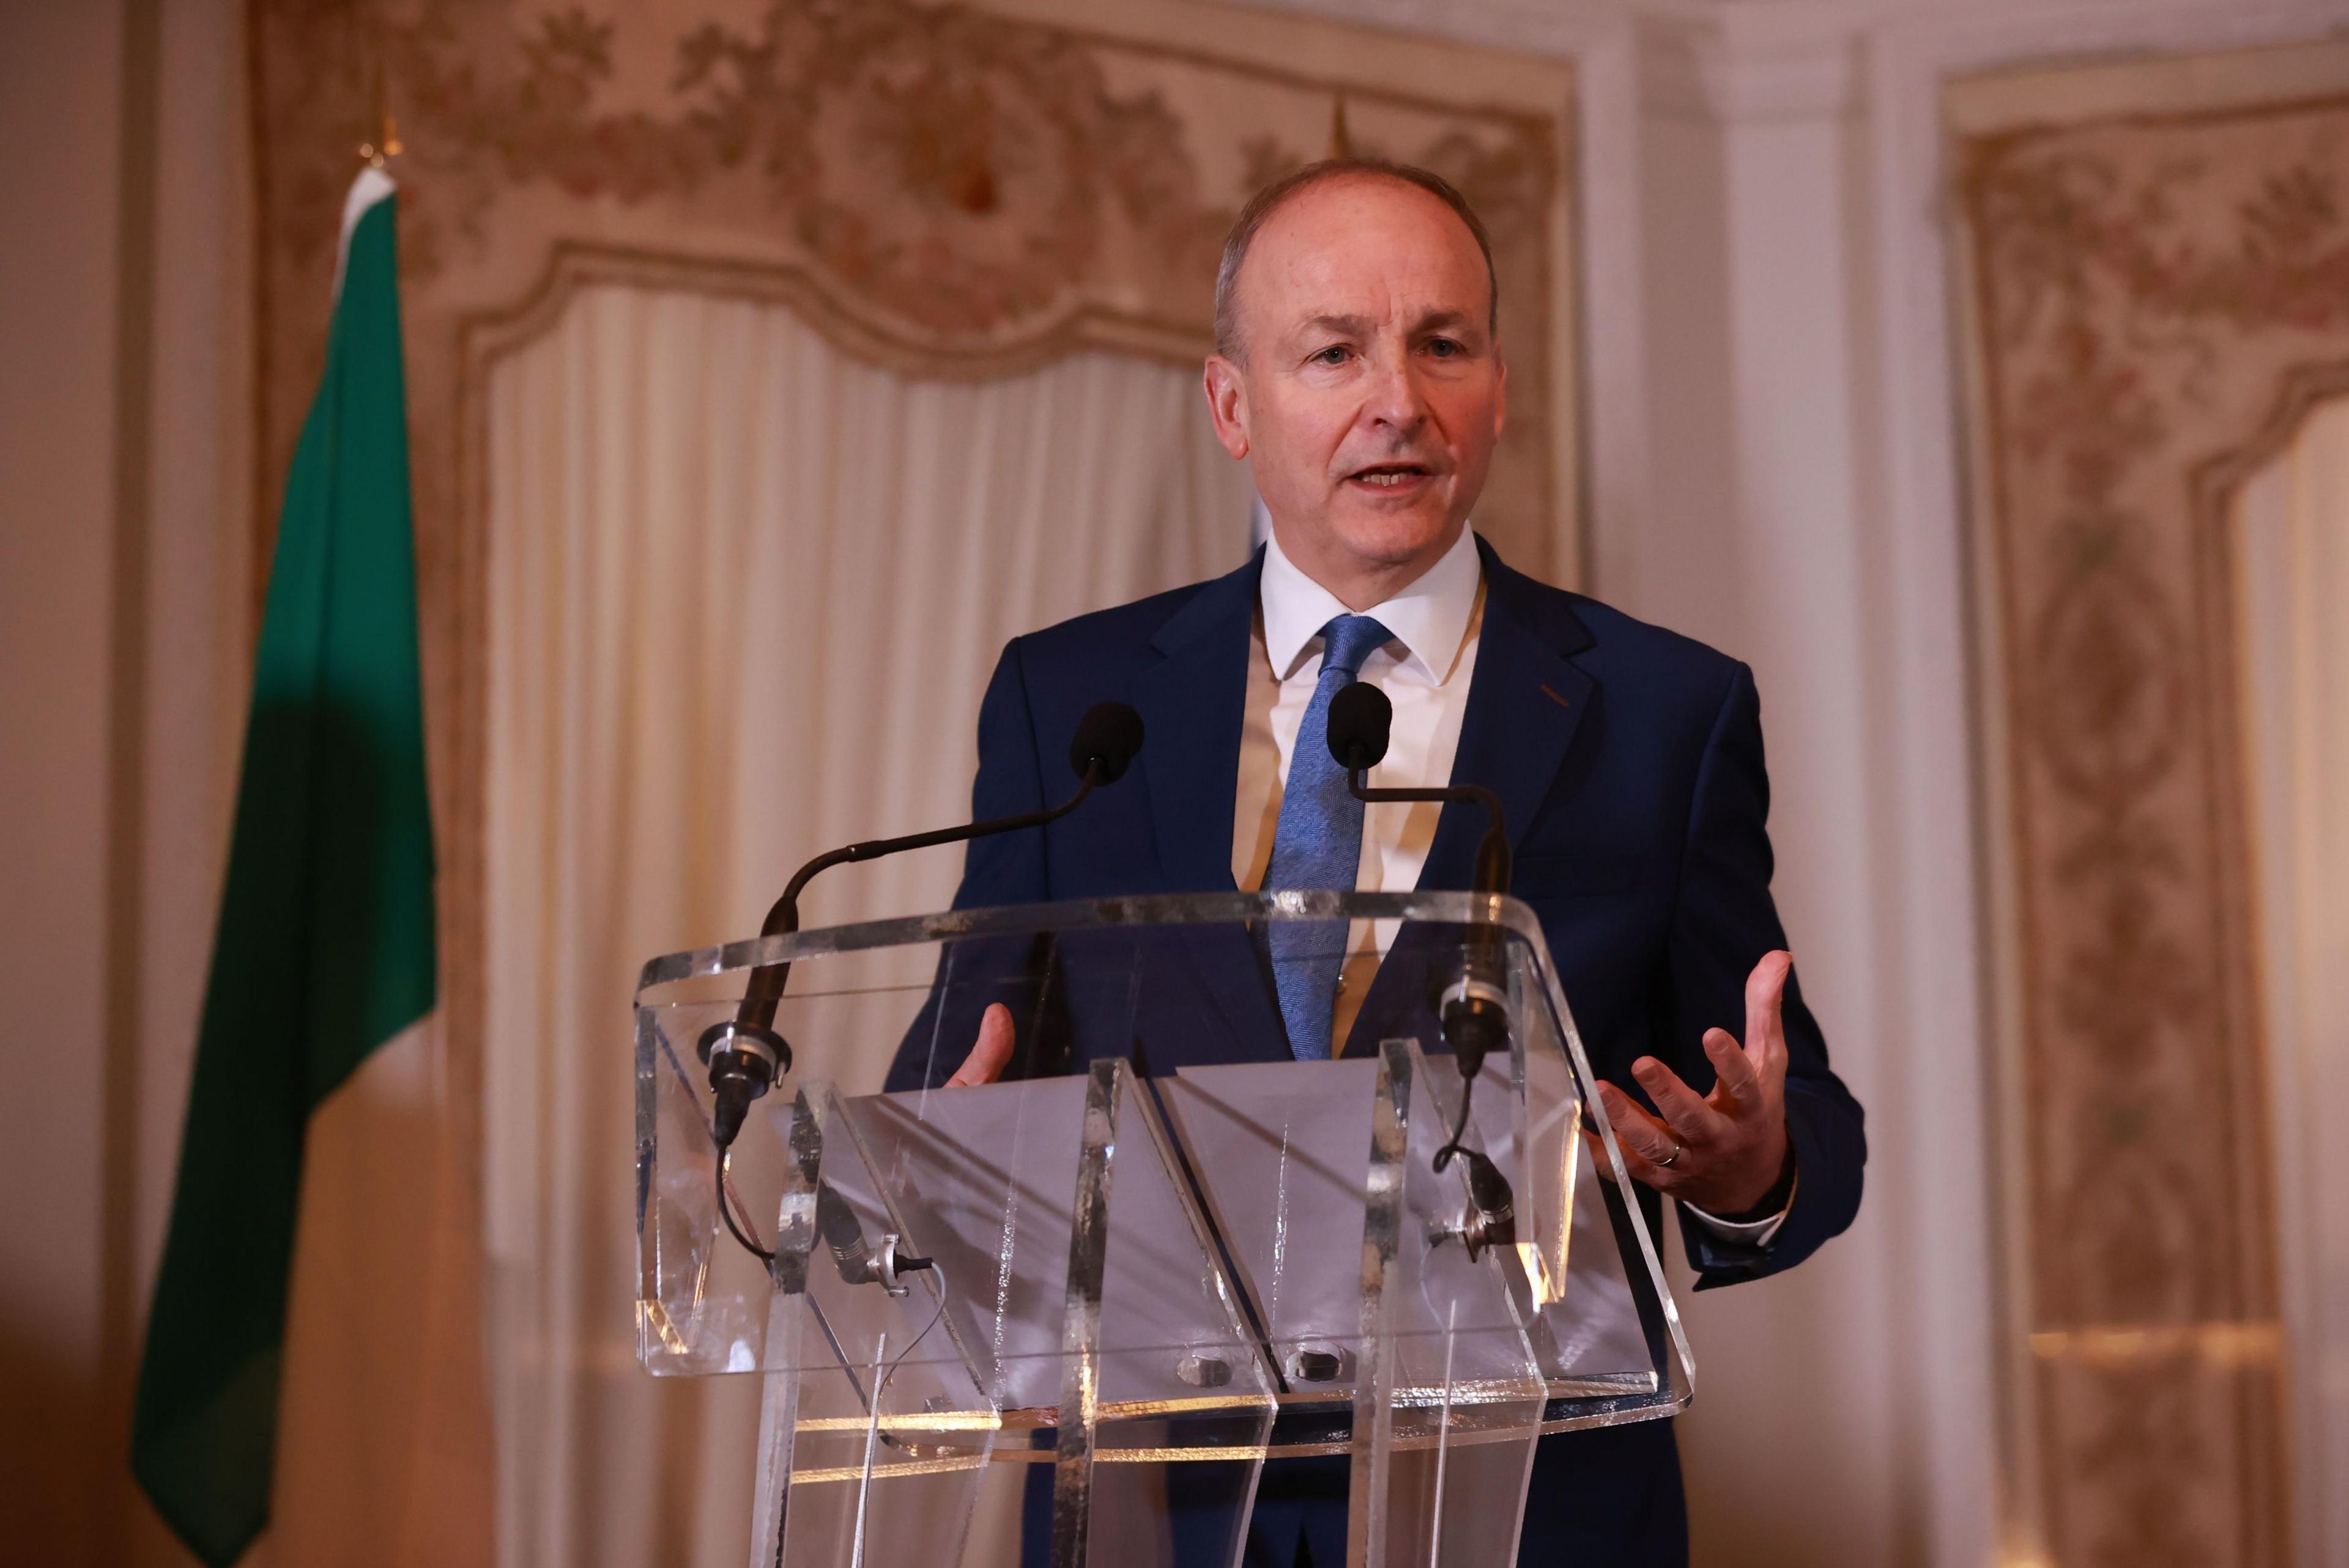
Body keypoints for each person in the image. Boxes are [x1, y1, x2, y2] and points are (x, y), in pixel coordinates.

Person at [886, 159, 1866, 1567]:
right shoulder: (1075, 703)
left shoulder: (1664, 711)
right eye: (1335, 349)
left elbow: (1801, 1135)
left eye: (1441, 345)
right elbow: (963, 1054)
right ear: (1233, 405)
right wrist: (936, 1150)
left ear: (1497, 388)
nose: (1397, 399)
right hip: (1161, 1508)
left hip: (1535, 1511)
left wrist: (1746, 1158)